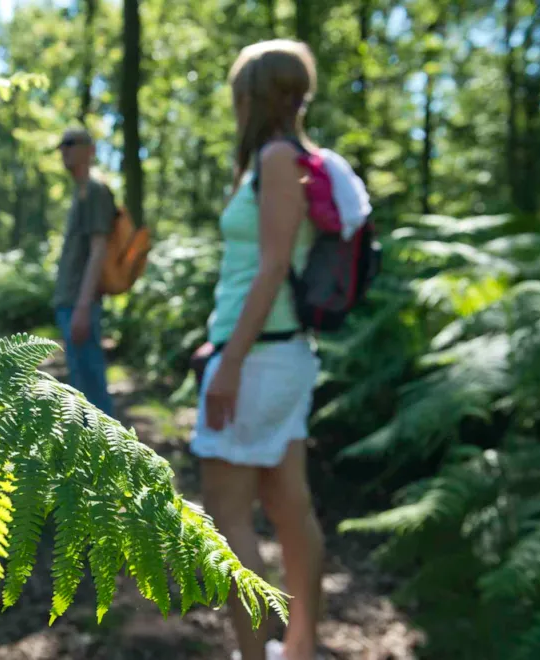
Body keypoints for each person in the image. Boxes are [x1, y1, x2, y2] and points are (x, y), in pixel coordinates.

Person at [190, 40, 328, 660]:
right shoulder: (294, 158)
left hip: (259, 360)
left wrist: (230, 363)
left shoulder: (275, 159)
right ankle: (296, 650)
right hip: (279, 353)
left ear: (255, 97)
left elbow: (272, 266)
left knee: (229, 516)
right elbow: (264, 265)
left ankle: (260, 654)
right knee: (287, 503)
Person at [52, 127, 115, 417]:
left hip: (80, 303)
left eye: (71, 144)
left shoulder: (95, 189)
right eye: (61, 145)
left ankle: (112, 458)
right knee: (80, 384)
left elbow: (99, 249)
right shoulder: (81, 191)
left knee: (91, 389)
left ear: (90, 150)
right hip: (70, 302)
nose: (64, 150)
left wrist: (82, 306)